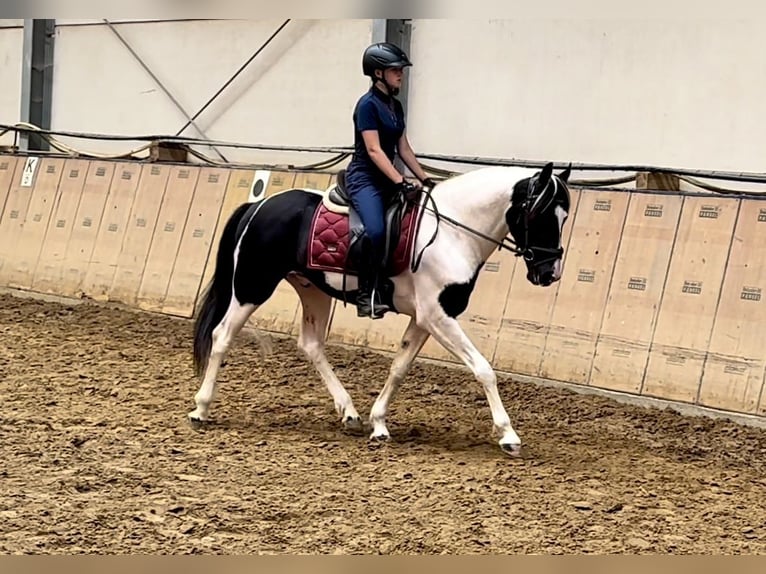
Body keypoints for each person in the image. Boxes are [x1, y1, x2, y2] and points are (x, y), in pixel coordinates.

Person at [344, 41, 436, 319]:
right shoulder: (367, 106)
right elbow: (374, 150)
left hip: (388, 178)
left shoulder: (395, 105)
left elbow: (403, 148)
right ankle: (365, 294)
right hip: (365, 179)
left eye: (401, 70)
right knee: (376, 231)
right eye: (395, 70)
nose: (401, 75)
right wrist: (400, 181)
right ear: (378, 74)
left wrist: (424, 177)